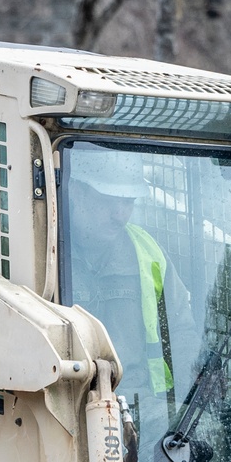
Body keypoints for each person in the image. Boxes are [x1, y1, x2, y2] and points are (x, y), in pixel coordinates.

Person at [65, 148, 199, 440]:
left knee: (201, 435)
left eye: (128, 202)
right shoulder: (43, 250)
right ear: (75, 191)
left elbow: (180, 331)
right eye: (109, 200)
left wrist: (191, 396)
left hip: (136, 404)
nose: (120, 215)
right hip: (62, 404)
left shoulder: (147, 254)